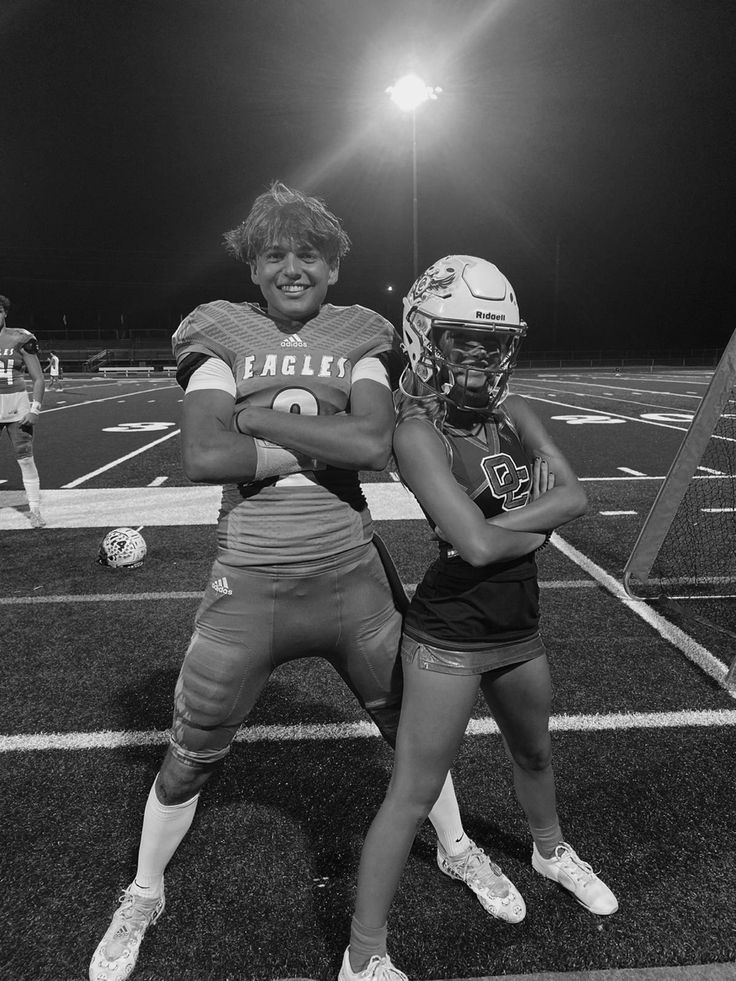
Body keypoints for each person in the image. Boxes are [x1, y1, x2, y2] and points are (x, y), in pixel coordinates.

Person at [89, 188, 524, 981]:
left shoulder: (362, 330)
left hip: (352, 579)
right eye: (274, 254)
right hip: (250, 586)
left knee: (415, 736)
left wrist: (252, 420)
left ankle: (456, 848)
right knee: (189, 753)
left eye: (309, 254)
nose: (292, 268)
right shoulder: (218, 327)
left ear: (334, 264)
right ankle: (144, 891)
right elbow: (204, 457)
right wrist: (314, 444)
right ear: (252, 266)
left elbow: (370, 444)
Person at [339, 256, 618, 981]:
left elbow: (577, 496)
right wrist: (541, 520)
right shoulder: (414, 431)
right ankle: (363, 954)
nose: (476, 353)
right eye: (459, 336)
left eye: (490, 341)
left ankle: (549, 851)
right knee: (413, 793)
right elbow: (476, 541)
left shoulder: (516, 412)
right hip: (451, 634)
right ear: (424, 336)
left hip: (518, 625)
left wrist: (522, 526)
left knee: (535, 753)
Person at [0, 294, 46, 528]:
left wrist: (35, 409)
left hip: (17, 405)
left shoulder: (20, 338)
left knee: (26, 459)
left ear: (5, 313)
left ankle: (35, 510)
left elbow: (38, 378)